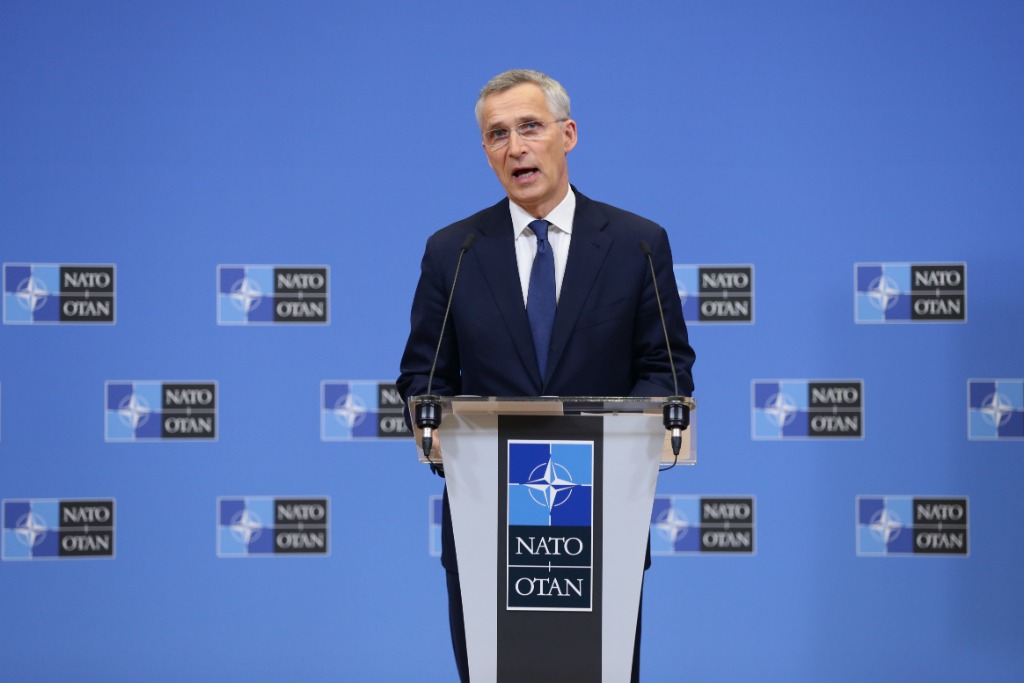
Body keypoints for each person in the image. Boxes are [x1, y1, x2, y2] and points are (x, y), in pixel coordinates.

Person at [397, 69, 695, 683]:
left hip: (600, 521)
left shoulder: (637, 244)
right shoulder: (453, 251)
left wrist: (608, 450)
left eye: (530, 127)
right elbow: (423, 377)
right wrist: (448, 436)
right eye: (497, 134)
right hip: (487, 524)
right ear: (485, 150)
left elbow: (666, 371)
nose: (515, 147)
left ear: (568, 134)